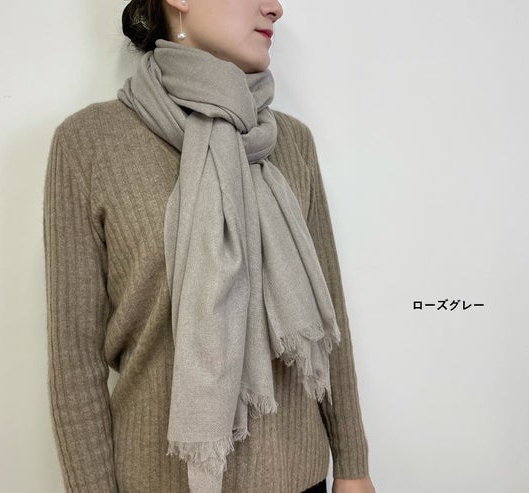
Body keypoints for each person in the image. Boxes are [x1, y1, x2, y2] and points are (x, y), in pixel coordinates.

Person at [42, 0, 376, 492]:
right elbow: (74, 360)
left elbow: (330, 322)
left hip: (300, 478)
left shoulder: (292, 142)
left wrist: (352, 466)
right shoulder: (89, 143)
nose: (275, 8)